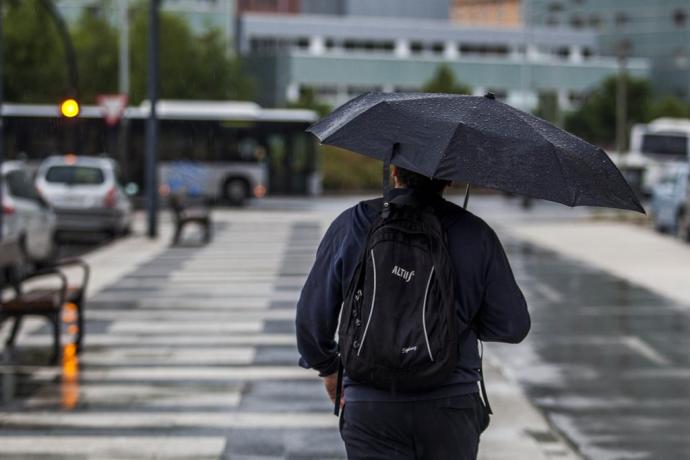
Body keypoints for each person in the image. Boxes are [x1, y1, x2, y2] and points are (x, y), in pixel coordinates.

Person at [295, 165, 530, 460]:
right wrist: (460, 318)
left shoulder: (352, 224)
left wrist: (328, 368)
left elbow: (310, 319)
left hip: (371, 405)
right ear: (449, 179)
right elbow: (513, 325)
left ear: (394, 171)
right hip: (450, 405)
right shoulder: (476, 233)